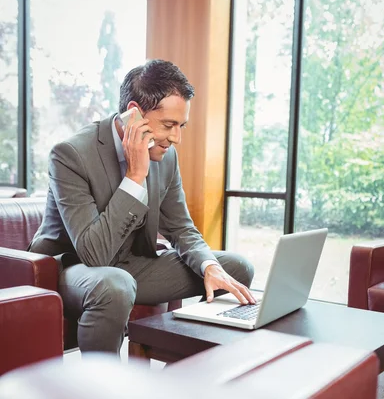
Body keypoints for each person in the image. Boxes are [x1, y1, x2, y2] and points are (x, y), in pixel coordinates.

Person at [30, 59, 255, 353]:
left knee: (235, 268)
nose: (176, 138)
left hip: (132, 265)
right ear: (134, 114)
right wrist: (136, 175)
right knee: (115, 284)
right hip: (71, 268)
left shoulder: (166, 157)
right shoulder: (71, 155)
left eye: (181, 125)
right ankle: (102, 390)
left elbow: (180, 228)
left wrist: (209, 266)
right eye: (169, 125)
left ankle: (193, 362)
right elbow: (93, 254)